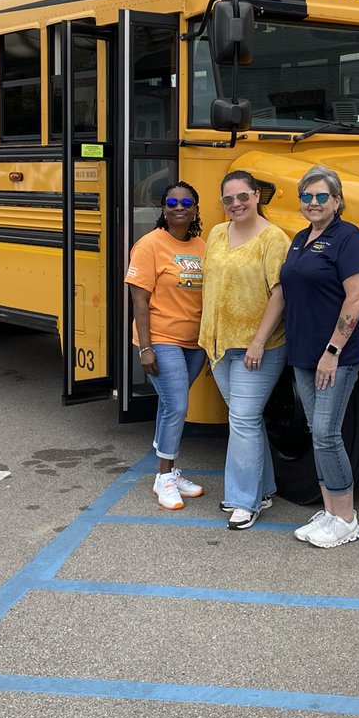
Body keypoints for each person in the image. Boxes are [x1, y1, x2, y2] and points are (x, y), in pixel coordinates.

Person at [249, 165, 359, 548]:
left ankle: (347, 518)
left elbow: (356, 296)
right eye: (307, 196)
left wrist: (333, 351)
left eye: (322, 196)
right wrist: (261, 339)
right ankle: (329, 510)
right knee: (317, 434)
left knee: (326, 433)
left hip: (334, 355)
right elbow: (285, 293)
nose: (313, 202)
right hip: (303, 353)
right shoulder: (302, 239)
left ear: (337, 201)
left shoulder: (349, 239)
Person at [199, 169, 289, 530]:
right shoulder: (218, 233)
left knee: (242, 420)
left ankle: (243, 501)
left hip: (260, 348)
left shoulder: (273, 239)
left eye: (242, 197)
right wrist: (208, 340)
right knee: (246, 420)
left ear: (256, 197)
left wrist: (257, 342)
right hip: (220, 347)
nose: (235, 204)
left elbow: (280, 293)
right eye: (228, 199)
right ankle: (263, 488)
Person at [125, 182, 207, 510]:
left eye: (186, 201)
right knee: (177, 406)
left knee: (170, 404)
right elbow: (139, 301)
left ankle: (170, 469)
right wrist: (146, 348)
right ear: (163, 208)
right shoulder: (149, 245)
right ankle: (163, 477)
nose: (179, 206)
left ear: (196, 209)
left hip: (195, 343)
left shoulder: (204, 245)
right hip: (161, 339)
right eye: (172, 201)